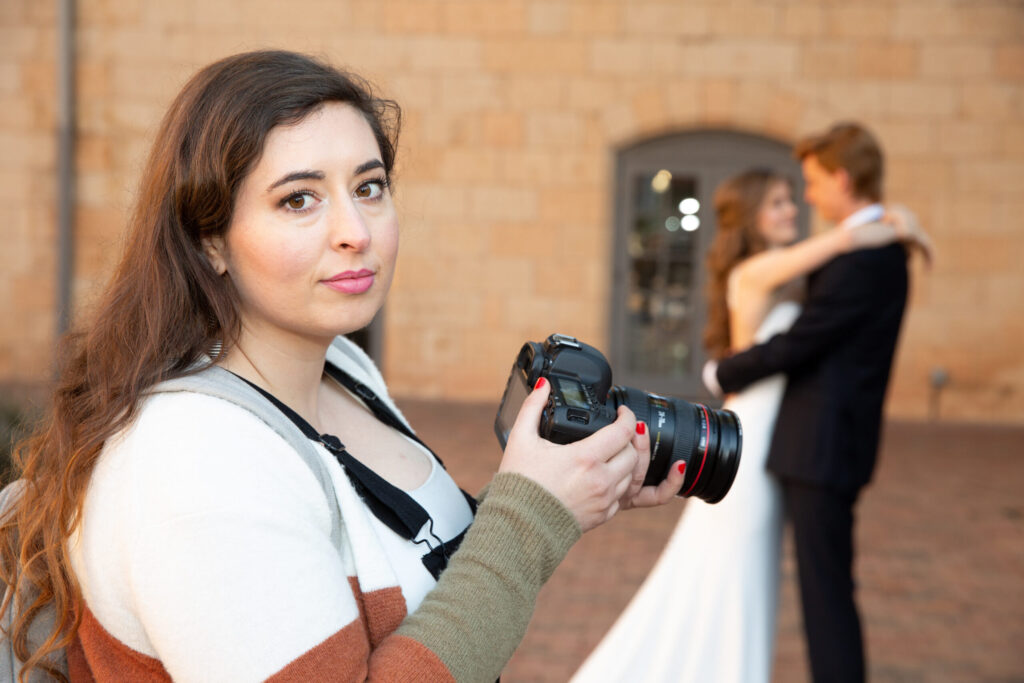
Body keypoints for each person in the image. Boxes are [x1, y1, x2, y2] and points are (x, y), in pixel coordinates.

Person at [0, 50, 686, 682]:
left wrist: (563, 491)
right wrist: (527, 522)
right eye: (299, 198)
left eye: (370, 186)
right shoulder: (198, 456)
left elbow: (428, 577)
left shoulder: (345, 369)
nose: (355, 230)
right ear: (211, 238)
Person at [571, 165, 929, 683]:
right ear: (752, 218)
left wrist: (900, 223)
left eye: (791, 200)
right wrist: (901, 225)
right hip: (752, 440)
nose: (791, 210)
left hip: (772, 436)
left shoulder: (781, 270)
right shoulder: (757, 273)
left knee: (746, 573)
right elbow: (850, 238)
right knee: (734, 570)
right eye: (778, 203)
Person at [704, 122, 918, 683]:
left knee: (826, 597)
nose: (808, 197)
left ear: (843, 178)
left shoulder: (865, 258)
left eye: (814, 182)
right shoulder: (859, 251)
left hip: (820, 447)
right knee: (821, 590)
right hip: (816, 444)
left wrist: (721, 370)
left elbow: (800, 344)